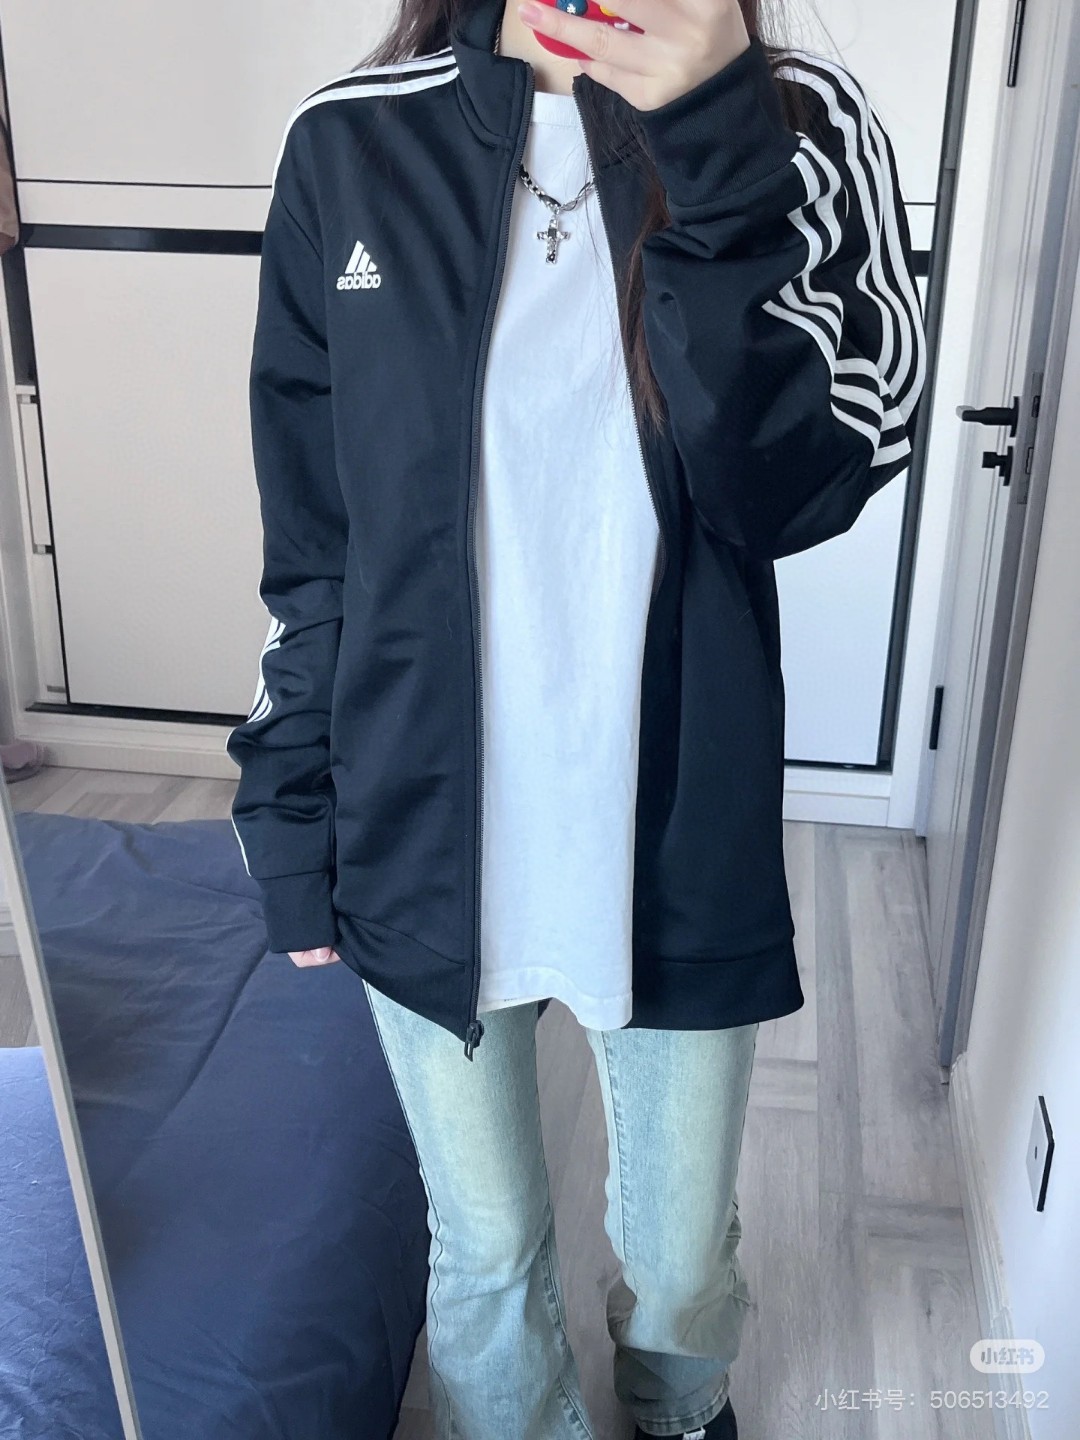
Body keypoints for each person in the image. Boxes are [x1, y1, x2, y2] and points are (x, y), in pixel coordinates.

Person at [226, 0, 926, 1435]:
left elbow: (796, 482)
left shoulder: (800, 123)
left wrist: (715, 141)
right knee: (484, 1253)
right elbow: (314, 540)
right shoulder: (349, 144)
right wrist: (288, 804)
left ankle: (678, 1408)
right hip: (419, 818)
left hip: (672, 818)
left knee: (679, 1261)